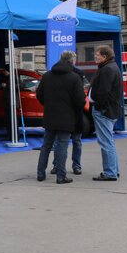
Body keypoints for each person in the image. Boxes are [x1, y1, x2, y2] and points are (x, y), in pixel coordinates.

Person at [36, 51, 86, 184]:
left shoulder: (47, 76)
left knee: (46, 145)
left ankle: (40, 173)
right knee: (62, 146)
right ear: (72, 61)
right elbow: (80, 100)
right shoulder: (74, 77)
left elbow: (39, 95)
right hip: (67, 117)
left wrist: (48, 104)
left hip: (50, 116)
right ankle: (61, 176)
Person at [90, 45, 123, 181]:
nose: (95, 57)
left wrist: (98, 106)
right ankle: (114, 170)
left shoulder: (107, 69)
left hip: (104, 110)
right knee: (109, 141)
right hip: (109, 109)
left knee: (106, 142)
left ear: (104, 56)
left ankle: (110, 172)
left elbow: (104, 92)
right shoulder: (111, 67)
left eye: (97, 55)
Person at [51, 63, 85, 176]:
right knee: (74, 141)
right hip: (72, 114)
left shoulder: (55, 73)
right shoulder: (75, 74)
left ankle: (58, 165)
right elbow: (80, 98)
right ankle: (74, 165)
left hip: (65, 114)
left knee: (61, 142)